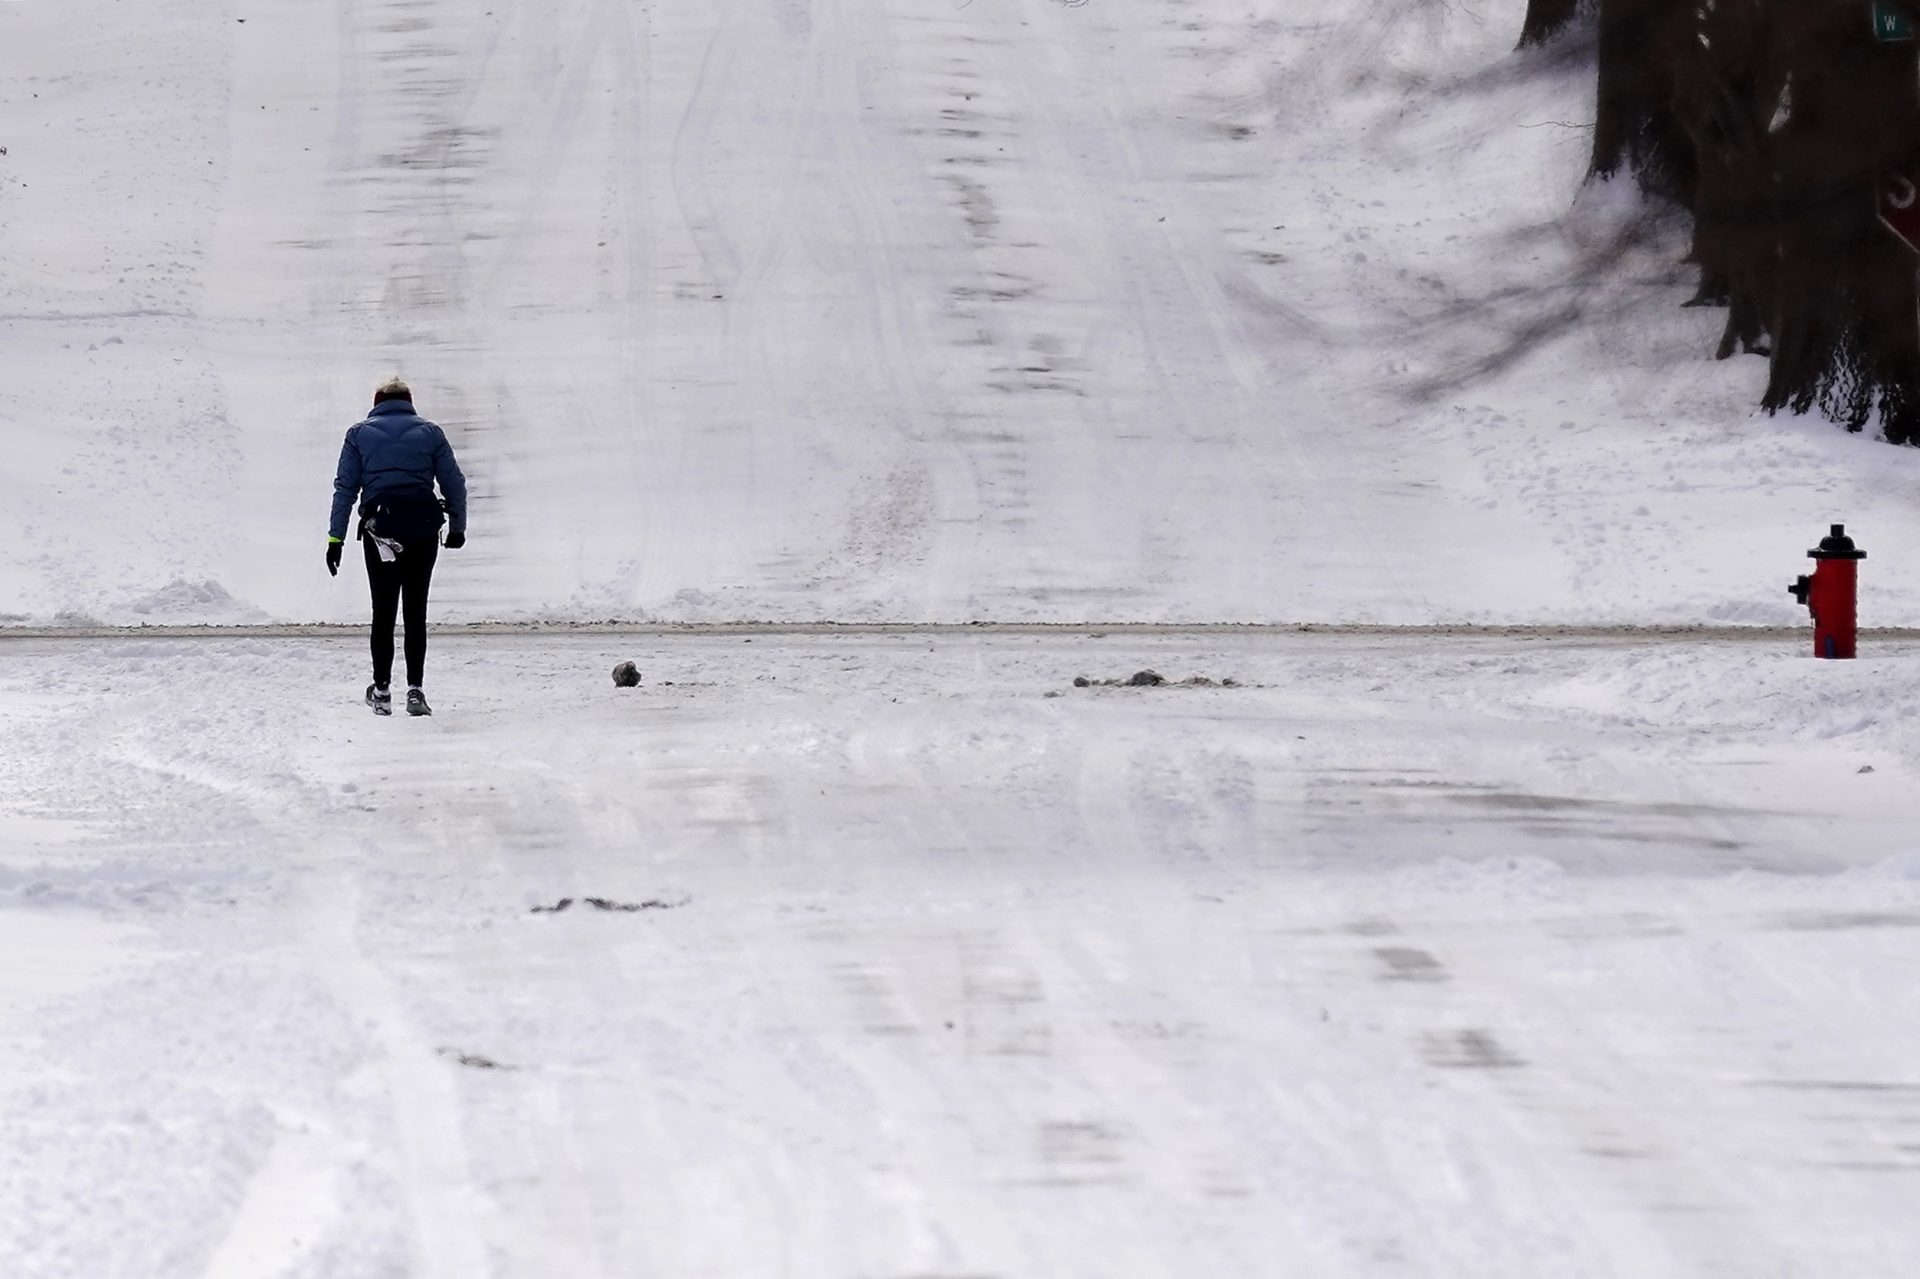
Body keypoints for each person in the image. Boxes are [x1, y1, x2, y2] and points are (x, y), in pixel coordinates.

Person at [326, 377, 467, 716]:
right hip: (422, 530)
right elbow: (454, 484)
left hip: (381, 533)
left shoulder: (358, 434)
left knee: (384, 612)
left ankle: (382, 691)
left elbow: (345, 489)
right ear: (409, 400)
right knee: (416, 611)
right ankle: (416, 691)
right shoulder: (430, 432)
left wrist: (336, 539)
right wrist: (458, 529)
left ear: (377, 402)